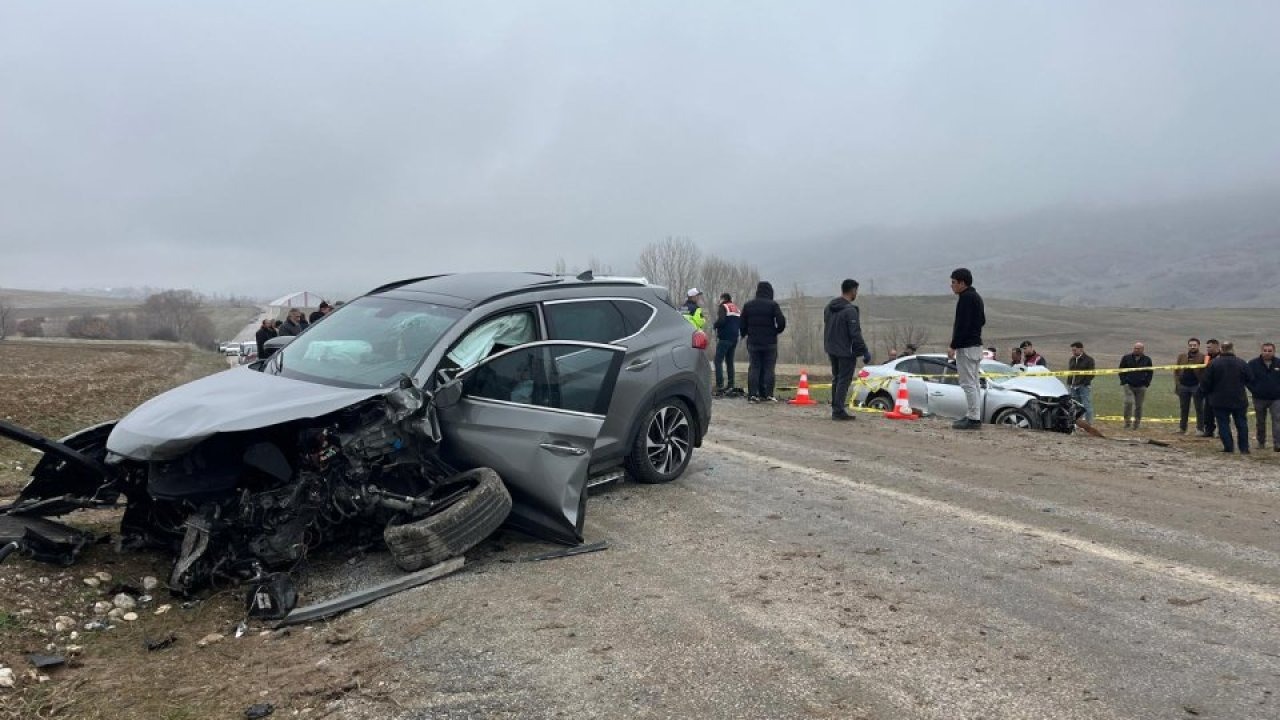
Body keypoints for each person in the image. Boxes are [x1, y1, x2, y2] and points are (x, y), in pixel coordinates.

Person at [823, 279, 870, 421]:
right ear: (853, 291)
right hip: (846, 351)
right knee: (844, 380)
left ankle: (836, 408)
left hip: (831, 348)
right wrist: (864, 351)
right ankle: (838, 411)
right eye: (856, 291)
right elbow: (855, 333)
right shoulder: (850, 311)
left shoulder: (829, 307)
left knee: (837, 378)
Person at [948, 268, 985, 430]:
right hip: (976, 345)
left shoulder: (966, 299)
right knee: (974, 382)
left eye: (954, 282)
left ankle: (974, 418)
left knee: (968, 383)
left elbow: (962, 325)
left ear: (962, 283)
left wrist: (954, 345)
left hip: (967, 347)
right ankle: (973, 414)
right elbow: (982, 321)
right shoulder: (976, 297)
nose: (952, 286)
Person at [1201, 342, 1254, 454]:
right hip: (1239, 398)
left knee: (1223, 424)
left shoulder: (1214, 363)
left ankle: (1228, 447)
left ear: (1221, 349)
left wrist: (1208, 393)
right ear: (1232, 349)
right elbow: (1250, 378)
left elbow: (1206, 382)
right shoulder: (1242, 363)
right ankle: (1244, 448)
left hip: (1219, 400)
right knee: (1241, 424)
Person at [739, 281, 786, 402]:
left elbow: (742, 323)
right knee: (769, 368)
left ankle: (753, 395)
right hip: (770, 342)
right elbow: (781, 321)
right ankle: (768, 394)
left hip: (753, 342)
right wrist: (776, 331)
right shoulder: (773, 305)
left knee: (754, 367)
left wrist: (745, 333)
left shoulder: (748, 305)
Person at [1246, 342, 1280, 451]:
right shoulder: (1253, 364)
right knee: (1260, 421)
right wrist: (1255, 390)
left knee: (1277, 420)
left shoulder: (1279, 363)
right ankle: (1261, 442)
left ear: (1274, 351)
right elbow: (1248, 379)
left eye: (1270, 351)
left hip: (1276, 398)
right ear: (1261, 351)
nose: (1267, 353)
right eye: (1265, 350)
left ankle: (1277, 444)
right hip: (1259, 398)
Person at [1173, 338, 1206, 435]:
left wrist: (1202, 385)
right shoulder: (1182, 356)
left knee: (1199, 408)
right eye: (1190, 345)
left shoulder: (1203, 357)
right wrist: (1177, 384)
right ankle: (1182, 428)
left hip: (1196, 386)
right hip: (1183, 385)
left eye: (1194, 345)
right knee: (1184, 408)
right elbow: (1176, 370)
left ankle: (1200, 429)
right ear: (1188, 346)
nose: (1192, 347)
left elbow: (1205, 372)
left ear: (1198, 346)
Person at [1118, 341, 1154, 429]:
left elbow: (1150, 372)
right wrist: (1124, 382)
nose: (1136, 350)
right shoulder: (1126, 358)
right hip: (1128, 385)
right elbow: (1121, 370)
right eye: (1135, 348)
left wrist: (1146, 383)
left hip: (1141, 386)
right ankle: (1127, 422)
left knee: (1139, 405)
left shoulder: (1147, 359)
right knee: (1128, 403)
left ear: (1142, 350)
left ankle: (1136, 423)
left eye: (1138, 349)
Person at [712, 293, 741, 395]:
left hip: (725, 338)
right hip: (734, 338)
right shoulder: (736, 309)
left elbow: (721, 320)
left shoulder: (723, 306)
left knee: (717, 361)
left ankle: (719, 385)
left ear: (723, 299)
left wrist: (715, 325)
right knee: (729, 362)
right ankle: (731, 384)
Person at [1198, 339, 1222, 437]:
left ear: (1216, 347)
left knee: (1219, 411)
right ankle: (1209, 430)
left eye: (1209, 347)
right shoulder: (1207, 357)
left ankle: (1220, 431)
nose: (1207, 349)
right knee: (1207, 411)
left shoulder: (1221, 358)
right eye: (1207, 347)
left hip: (1219, 389)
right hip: (1208, 388)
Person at [1066, 341, 1095, 422]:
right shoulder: (1072, 359)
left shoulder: (1089, 360)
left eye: (1075, 350)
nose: (1073, 352)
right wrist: (1069, 383)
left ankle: (1088, 423)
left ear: (1081, 349)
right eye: (1072, 350)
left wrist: (1084, 383)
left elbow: (1091, 374)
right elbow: (1070, 372)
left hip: (1083, 387)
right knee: (1075, 406)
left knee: (1086, 405)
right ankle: (1077, 423)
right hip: (1072, 386)